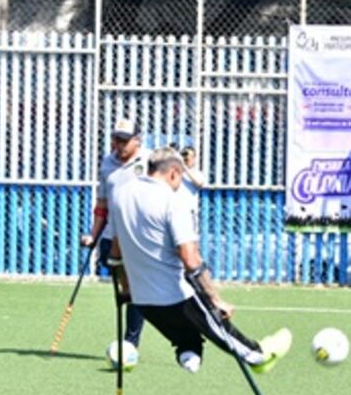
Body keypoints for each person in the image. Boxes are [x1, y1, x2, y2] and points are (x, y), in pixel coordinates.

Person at [107, 147, 291, 374]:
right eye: (181, 177)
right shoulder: (172, 201)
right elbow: (190, 258)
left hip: (144, 301)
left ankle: (189, 359)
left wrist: (125, 286)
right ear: (174, 172)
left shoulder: (121, 195)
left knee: (187, 341)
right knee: (224, 333)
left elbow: (116, 252)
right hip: (178, 297)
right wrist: (215, 300)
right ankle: (259, 356)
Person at [80, 118, 151, 347]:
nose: (119, 145)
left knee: (132, 285)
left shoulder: (149, 161)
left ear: (136, 140)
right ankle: (130, 336)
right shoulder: (107, 163)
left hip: (139, 236)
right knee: (125, 286)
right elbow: (102, 204)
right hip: (112, 235)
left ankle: (130, 342)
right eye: (116, 139)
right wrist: (93, 234)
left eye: (124, 140)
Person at [177, 146, 205, 234]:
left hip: (189, 212)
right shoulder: (175, 172)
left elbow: (199, 183)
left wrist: (185, 168)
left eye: (190, 157)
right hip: (175, 211)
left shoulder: (197, 173)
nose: (187, 159)